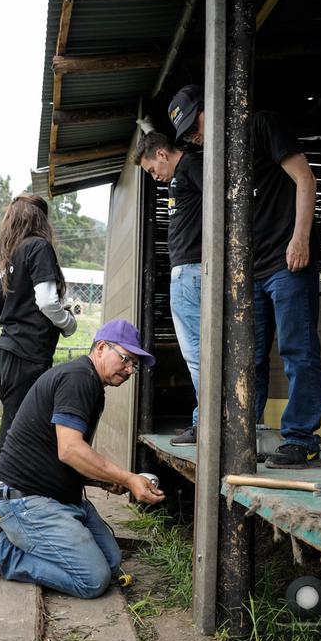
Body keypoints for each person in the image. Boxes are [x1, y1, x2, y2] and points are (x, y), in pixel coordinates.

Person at [168, 84, 321, 469]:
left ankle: (302, 440)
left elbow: (306, 180)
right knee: (247, 359)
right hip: (251, 273)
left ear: (214, 106)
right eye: (185, 134)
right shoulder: (215, 159)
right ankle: (244, 434)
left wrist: (300, 238)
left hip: (288, 262)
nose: (193, 136)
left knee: (297, 351)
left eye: (194, 124)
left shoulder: (262, 126)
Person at [0, 320, 165, 598]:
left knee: (112, 562)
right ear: (101, 348)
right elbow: (70, 450)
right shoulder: (79, 378)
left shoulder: (90, 383)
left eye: (134, 365)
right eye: (126, 359)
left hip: (59, 499)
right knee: (93, 579)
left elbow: (57, 453)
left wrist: (105, 480)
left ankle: (26, 540)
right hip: (26, 500)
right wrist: (127, 477)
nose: (129, 370)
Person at [0, 193, 76, 466]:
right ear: (40, 218)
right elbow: (46, 301)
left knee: (14, 415)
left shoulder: (6, 254)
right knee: (21, 419)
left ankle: (7, 479)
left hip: (7, 347)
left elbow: (0, 305)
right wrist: (67, 323)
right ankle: (4, 480)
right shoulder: (38, 247)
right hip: (29, 351)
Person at [134, 131, 203, 446]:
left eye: (151, 169)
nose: (155, 177)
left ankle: (205, 423)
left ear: (161, 153)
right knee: (196, 355)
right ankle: (203, 421)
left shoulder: (191, 166)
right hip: (186, 272)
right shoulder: (181, 175)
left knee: (197, 355)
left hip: (192, 271)